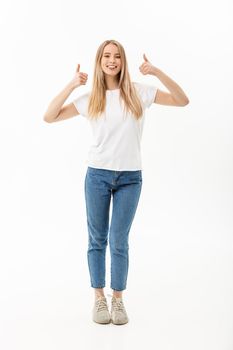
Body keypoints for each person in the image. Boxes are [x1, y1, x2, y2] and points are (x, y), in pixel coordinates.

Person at [43, 39, 189, 325]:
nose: (112, 60)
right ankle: (99, 298)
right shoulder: (90, 98)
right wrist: (72, 84)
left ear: (123, 62)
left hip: (130, 178)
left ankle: (118, 300)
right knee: (97, 239)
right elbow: (49, 116)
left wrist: (156, 71)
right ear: (99, 61)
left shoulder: (138, 92)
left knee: (119, 240)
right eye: (107, 56)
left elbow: (182, 100)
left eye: (117, 56)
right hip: (97, 175)